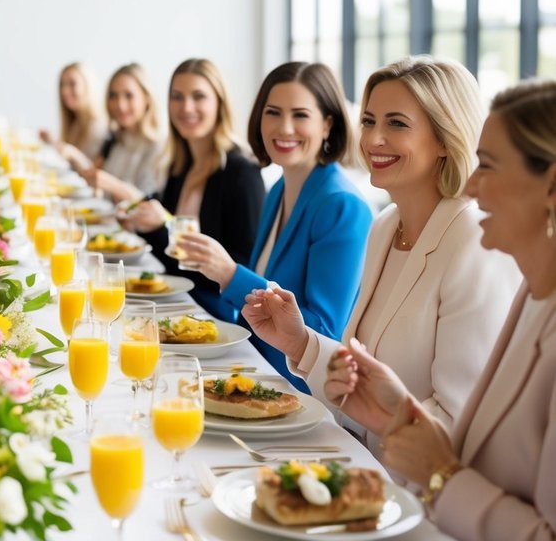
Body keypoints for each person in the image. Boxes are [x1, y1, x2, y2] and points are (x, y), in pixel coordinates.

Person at [242, 57, 519, 444]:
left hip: (412, 478)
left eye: (397, 123)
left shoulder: (474, 240)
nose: (373, 139)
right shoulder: (386, 225)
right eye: (369, 121)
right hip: (356, 457)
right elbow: (357, 378)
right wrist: (299, 342)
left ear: (445, 138)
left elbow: (460, 423)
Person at [324, 79, 556, 540]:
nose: (471, 185)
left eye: (487, 166)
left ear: (550, 188)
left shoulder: (483, 256)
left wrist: (442, 477)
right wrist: (395, 415)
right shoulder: (533, 299)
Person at [173, 61, 371, 390]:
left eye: (300, 115)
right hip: (254, 370)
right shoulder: (279, 189)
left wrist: (229, 274)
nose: (284, 127)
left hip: (298, 390)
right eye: (273, 113)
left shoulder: (342, 206)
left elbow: (323, 334)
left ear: (328, 124)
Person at [118, 59, 265, 317]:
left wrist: (161, 227)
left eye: (198, 96)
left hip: (215, 313)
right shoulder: (180, 166)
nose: (186, 107)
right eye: (177, 97)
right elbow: (172, 260)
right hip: (179, 303)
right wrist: (142, 223)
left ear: (219, 103)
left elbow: (246, 269)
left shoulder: (242, 173)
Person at [78, 63, 164, 202]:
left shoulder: (158, 146)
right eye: (113, 96)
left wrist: (112, 185)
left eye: (129, 96)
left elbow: (149, 202)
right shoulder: (112, 139)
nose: (120, 105)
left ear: (146, 98)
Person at [39, 62, 108, 168]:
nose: (65, 91)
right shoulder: (76, 123)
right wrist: (52, 141)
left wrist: (72, 153)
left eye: (72, 84)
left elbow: (97, 172)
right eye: (62, 85)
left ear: (87, 86)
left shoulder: (99, 127)